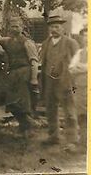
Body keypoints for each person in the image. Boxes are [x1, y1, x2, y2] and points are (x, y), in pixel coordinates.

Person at [0, 17, 39, 137]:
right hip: (13, 73)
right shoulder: (7, 41)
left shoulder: (27, 42)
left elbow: (34, 62)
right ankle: (24, 127)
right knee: (11, 101)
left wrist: (34, 78)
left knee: (23, 101)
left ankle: (28, 128)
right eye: (12, 26)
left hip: (24, 72)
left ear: (22, 28)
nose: (14, 29)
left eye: (17, 26)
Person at [40, 15, 80, 146]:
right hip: (49, 81)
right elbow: (44, 62)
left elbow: (77, 63)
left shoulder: (71, 43)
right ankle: (54, 136)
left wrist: (73, 82)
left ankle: (72, 140)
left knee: (69, 112)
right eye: (52, 27)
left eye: (57, 27)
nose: (54, 29)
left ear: (62, 28)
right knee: (50, 110)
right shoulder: (46, 43)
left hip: (66, 81)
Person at [69, 27, 87, 127]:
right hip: (80, 88)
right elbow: (71, 69)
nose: (87, 38)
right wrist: (84, 68)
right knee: (82, 115)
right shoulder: (79, 53)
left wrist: (81, 67)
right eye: (84, 36)